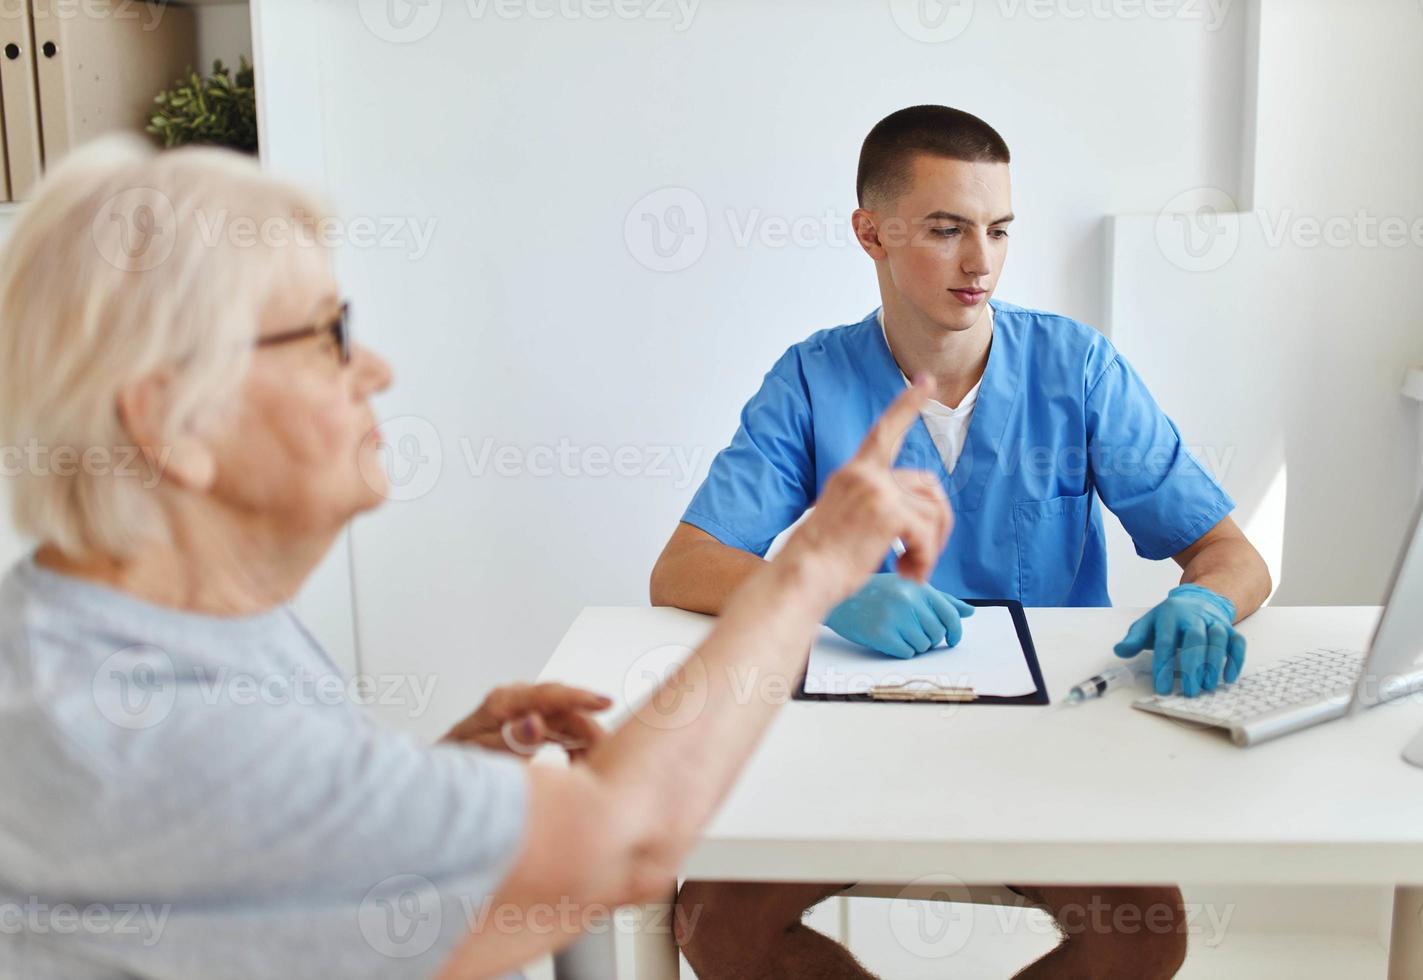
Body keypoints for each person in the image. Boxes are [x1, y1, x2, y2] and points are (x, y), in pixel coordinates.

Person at [0, 136, 955, 980]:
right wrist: (810, 572)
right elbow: (618, 847)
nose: (376, 370)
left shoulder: (147, 634)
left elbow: (266, 883)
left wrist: (431, 783)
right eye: (329, 335)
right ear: (172, 418)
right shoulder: (125, 720)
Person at [650, 105, 1273, 978]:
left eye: (999, 229)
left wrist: (1206, 598)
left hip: (1047, 746)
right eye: (946, 230)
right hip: (854, 746)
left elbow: (1233, 556)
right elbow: (684, 567)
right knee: (717, 923)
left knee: (1143, 933)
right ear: (871, 232)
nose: (981, 262)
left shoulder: (1078, 370)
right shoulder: (811, 379)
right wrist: (827, 589)